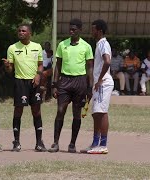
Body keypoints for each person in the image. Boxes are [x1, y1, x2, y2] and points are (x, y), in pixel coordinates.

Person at [48, 18, 94, 153]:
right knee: (60, 111)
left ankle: (72, 144)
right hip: (65, 81)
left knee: (77, 113)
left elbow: (90, 68)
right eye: (70, 29)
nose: (71, 31)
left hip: (80, 82)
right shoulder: (62, 45)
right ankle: (55, 143)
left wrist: (90, 87)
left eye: (74, 29)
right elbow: (58, 65)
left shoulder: (86, 46)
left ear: (80, 30)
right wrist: (54, 84)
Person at [3, 24, 46, 152]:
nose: (20, 32)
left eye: (23, 31)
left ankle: (39, 142)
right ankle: (16, 142)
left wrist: (38, 76)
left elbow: (40, 65)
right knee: (18, 111)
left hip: (34, 82)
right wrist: (7, 66)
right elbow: (10, 70)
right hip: (20, 82)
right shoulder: (12, 48)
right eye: (19, 31)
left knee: (36, 111)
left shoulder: (37, 46)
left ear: (30, 33)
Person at [80, 19, 113, 154]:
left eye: (93, 29)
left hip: (104, 83)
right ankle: (95, 143)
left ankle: (103, 145)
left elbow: (107, 61)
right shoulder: (99, 44)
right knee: (96, 114)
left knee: (102, 112)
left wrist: (99, 80)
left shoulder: (103, 43)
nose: (91, 31)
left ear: (99, 30)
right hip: (99, 84)